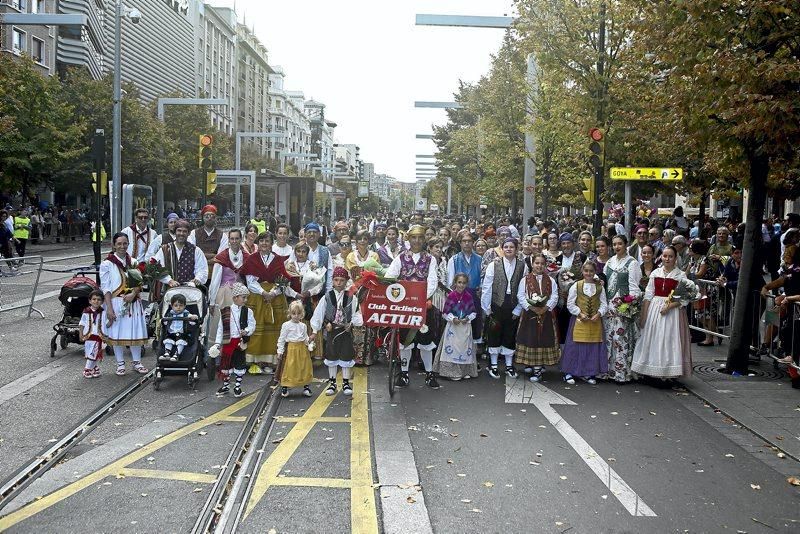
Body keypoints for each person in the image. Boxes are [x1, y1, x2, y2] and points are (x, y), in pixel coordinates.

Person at [385, 224, 441, 388]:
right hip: (405, 307)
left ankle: (429, 374)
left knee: (425, 341)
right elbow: (390, 276)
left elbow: (432, 281)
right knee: (405, 342)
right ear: (408, 239)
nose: (417, 241)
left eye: (420, 237)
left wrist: (422, 297)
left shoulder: (430, 259)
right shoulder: (401, 258)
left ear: (424, 240)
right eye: (413, 237)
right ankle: (404, 373)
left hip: (423, 306)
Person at [240, 231, 302, 374]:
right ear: (258, 243)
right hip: (257, 297)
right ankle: (255, 362)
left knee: (274, 330)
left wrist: (273, 292)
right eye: (261, 241)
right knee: (256, 328)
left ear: (271, 243)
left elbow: (283, 280)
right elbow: (250, 282)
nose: (264, 244)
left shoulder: (278, 260)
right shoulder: (252, 259)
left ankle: (272, 361)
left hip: (275, 298)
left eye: (267, 241)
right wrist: (264, 293)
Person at [631, 246, 693, 382]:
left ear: (675, 258)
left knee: (669, 340)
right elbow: (648, 295)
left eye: (670, 256)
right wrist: (644, 315)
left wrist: (669, 306)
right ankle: (649, 370)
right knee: (652, 338)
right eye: (665, 256)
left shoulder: (680, 275)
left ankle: (667, 372)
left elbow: (684, 297)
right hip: (654, 309)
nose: (667, 259)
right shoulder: (656, 273)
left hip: (673, 313)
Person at [100, 233, 149, 376]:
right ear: (114, 245)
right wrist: (109, 308)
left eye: (125, 243)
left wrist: (133, 294)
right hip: (116, 302)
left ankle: (137, 362)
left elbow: (139, 283)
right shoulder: (107, 264)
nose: (122, 246)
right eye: (119, 244)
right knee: (118, 333)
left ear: (128, 244)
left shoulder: (133, 262)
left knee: (134, 333)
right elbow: (106, 288)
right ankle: (120, 364)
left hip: (132, 302)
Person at [310, 267, 362, 397]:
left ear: (346, 282)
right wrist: (317, 329)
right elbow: (319, 314)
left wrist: (352, 323)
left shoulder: (351, 298)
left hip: (345, 331)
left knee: (346, 355)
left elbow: (356, 315)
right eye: (336, 280)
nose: (339, 283)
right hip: (332, 330)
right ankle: (332, 383)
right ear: (332, 281)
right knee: (331, 356)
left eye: (342, 280)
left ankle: (345, 383)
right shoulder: (327, 297)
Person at [481, 237, 525, 379]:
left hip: (513, 303)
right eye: (506, 247)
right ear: (502, 248)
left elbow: (523, 289)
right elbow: (487, 286)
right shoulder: (494, 264)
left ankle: (509, 365)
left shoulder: (522, 265)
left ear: (516, 249)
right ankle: (493, 365)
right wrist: (487, 307)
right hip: (496, 304)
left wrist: (518, 309)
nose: (509, 249)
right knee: (494, 333)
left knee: (510, 334)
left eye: (512, 247)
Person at [561, 262, 608, 385]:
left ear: (595, 272)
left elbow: (604, 304)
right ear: (582, 271)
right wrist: (580, 313)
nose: (588, 273)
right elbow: (570, 304)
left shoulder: (600, 287)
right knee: (575, 347)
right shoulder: (576, 286)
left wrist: (599, 314)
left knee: (592, 347)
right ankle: (569, 372)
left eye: (591, 271)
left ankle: (588, 372)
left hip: (594, 321)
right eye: (586, 271)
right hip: (579, 321)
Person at [515, 253, 559, 382]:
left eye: (542, 263)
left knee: (544, 339)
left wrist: (546, 307)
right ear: (532, 264)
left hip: (546, 315)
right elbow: (521, 296)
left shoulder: (550, 280)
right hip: (530, 315)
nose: (539, 266)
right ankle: (532, 363)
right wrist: (532, 308)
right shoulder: (525, 280)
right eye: (537, 263)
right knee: (531, 338)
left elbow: (554, 296)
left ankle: (538, 368)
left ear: (545, 265)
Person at [604, 234, 642, 383]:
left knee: (620, 338)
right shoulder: (610, 262)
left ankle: (621, 372)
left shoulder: (632, 263)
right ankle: (609, 370)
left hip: (622, 305)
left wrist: (628, 304)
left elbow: (635, 288)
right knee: (608, 337)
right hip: (609, 305)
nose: (617, 247)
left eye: (620, 244)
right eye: (614, 244)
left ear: (626, 245)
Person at [213, 283, 256, 398]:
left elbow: (252, 325)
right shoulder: (225, 311)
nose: (245, 300)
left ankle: (237, 386)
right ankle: (226, 386)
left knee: (239, 364)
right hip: (228, 342)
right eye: (243, 297)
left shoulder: (248, 312)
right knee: (226, 365)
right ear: (235, 298)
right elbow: (220, 329)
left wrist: (246, 331)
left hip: (239, 343)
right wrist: (217, 344)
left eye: (246, 297)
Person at [433, 273, 479, 380]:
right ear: (455, 283)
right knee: (453, 348)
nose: (461, 285)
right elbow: (445, 312)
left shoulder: (468, 297)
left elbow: (473, 312)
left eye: (463, 283)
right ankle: (451, 372)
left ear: (466, 284)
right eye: (459, 282)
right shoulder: (451, 296)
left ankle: (464, 371)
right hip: (453, 328)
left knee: (464, 349)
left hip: (465, 327)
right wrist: (453, 319)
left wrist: (467, 318)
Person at [447, 232, 484, 354]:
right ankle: (458, 353)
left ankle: (472, 356)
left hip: (474, 297)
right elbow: (450, 282)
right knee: (460, 326)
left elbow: (483, 279)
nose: (467, 243)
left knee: (474, 325)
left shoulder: (480, 259)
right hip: (459, 297)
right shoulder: (454, 259)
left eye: (469, 241)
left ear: (473, 243)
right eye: (464, 241)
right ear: (460, 243)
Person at [152, 219, 209, 297]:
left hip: (190, 292)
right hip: (169, 292)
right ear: (175, 232)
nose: (181, 234)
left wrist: (197, 279)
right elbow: (156, 268)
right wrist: (169, 280)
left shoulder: (196, 250)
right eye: (179, 231)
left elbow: (202, 269)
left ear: (189, 233)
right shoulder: (165, 249)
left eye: (184, 231)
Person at [208, 228, 247, 338]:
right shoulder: (222, 257)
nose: (234, 241)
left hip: (241, 293)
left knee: (240, 322)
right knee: (224, 322)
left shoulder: (246, 256)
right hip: (224, 293)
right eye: (232, 239)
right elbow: (215, 280)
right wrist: (211, 301)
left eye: (237, 238)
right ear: (229, 240)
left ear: (241, 239)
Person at [276, 300, 314, 398]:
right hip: (291, 349)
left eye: (298, 313)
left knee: (304, 367)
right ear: (290, 314)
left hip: (302, 349)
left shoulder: (303, 326)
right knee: (289, 367)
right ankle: (285, 386)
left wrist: (309, 343)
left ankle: (306, 386)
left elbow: (305, 337)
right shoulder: (286, 325)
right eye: (293, 313)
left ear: (302, 314)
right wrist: (280, 351)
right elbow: (282, 339)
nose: (296, 316)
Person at [160, 293, 198, 362]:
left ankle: (177, 354)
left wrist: (193, 317)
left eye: (181, 305)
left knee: (181, 342)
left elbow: (192, 319)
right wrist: (163, 320)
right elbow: (165, 322)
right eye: (176, 305)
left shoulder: (186, 313)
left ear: (184, 306)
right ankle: (167, 353)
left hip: (182, 334)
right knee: (168, 341)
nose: (178, 307)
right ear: (172, 306)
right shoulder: (170, 314)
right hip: (171, 333)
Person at [79, 289, 106, 378]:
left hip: (99, 336)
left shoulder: (103, 312)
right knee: (89, 352)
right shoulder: (86, 312)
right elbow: (82, 324)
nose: (96, 301)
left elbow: (106, 323)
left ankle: (87, 369)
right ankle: (95, 367)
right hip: (88, 335)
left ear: (102, 301)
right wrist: (81, 334)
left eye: (99, 299)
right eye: (94, 299)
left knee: (94, 352)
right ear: (90, 301)